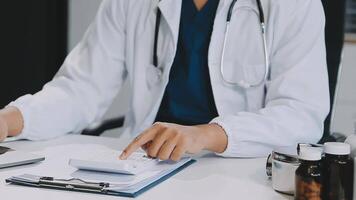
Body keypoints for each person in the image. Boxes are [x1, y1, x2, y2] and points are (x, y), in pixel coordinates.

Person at [0, 0, 329, 161]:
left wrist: (209, 135)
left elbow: (302, 113)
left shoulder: (294, 4)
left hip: (241, 168)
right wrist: (14, 118)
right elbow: (81, 89)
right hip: (147, 167)